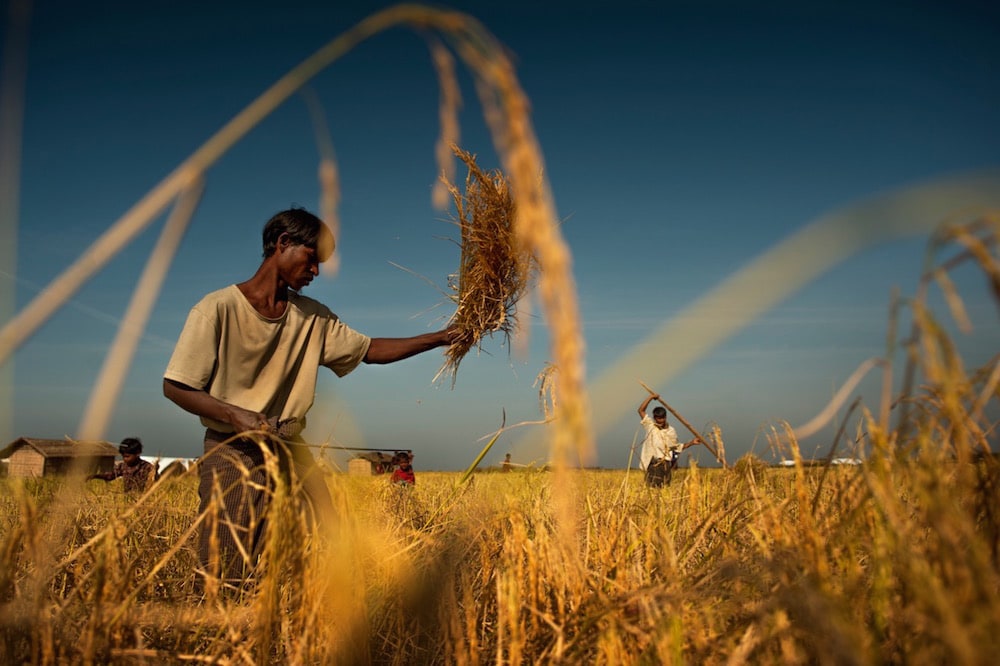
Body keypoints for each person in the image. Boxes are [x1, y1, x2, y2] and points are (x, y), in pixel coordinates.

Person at [162, 207, 455, 589]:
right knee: (226, 559)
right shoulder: (217, 309)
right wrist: (235, 415)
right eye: (312, 259)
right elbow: (177, 386)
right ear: (283, 244)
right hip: (232, 447)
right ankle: (221, 627)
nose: (315, 272)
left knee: (327, 534)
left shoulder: (313, 318)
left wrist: (441, 338)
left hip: (290, 446)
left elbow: (370, 349)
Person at [637, 394, 694, 487]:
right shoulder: (650, 426)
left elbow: (676, 447)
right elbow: (641, 410)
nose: (661, 420)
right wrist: (651, 397)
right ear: (655, 418)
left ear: (666, 417)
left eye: (663, 417)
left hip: (666, 464)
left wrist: (692, 443)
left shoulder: (671, 431)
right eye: (659, 418)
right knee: (653, 488)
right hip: (654, 463)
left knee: (665, 489)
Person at [87, 437, 157, 492]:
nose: (125, 459)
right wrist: (94, 476)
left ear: (137, 453)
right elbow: (110, 476)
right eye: (123, 456)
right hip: (128, 498)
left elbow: (156, 481)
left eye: (127, 456)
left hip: (143, 498)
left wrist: (155, 471)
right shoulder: (123, 466)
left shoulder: (147, 467)